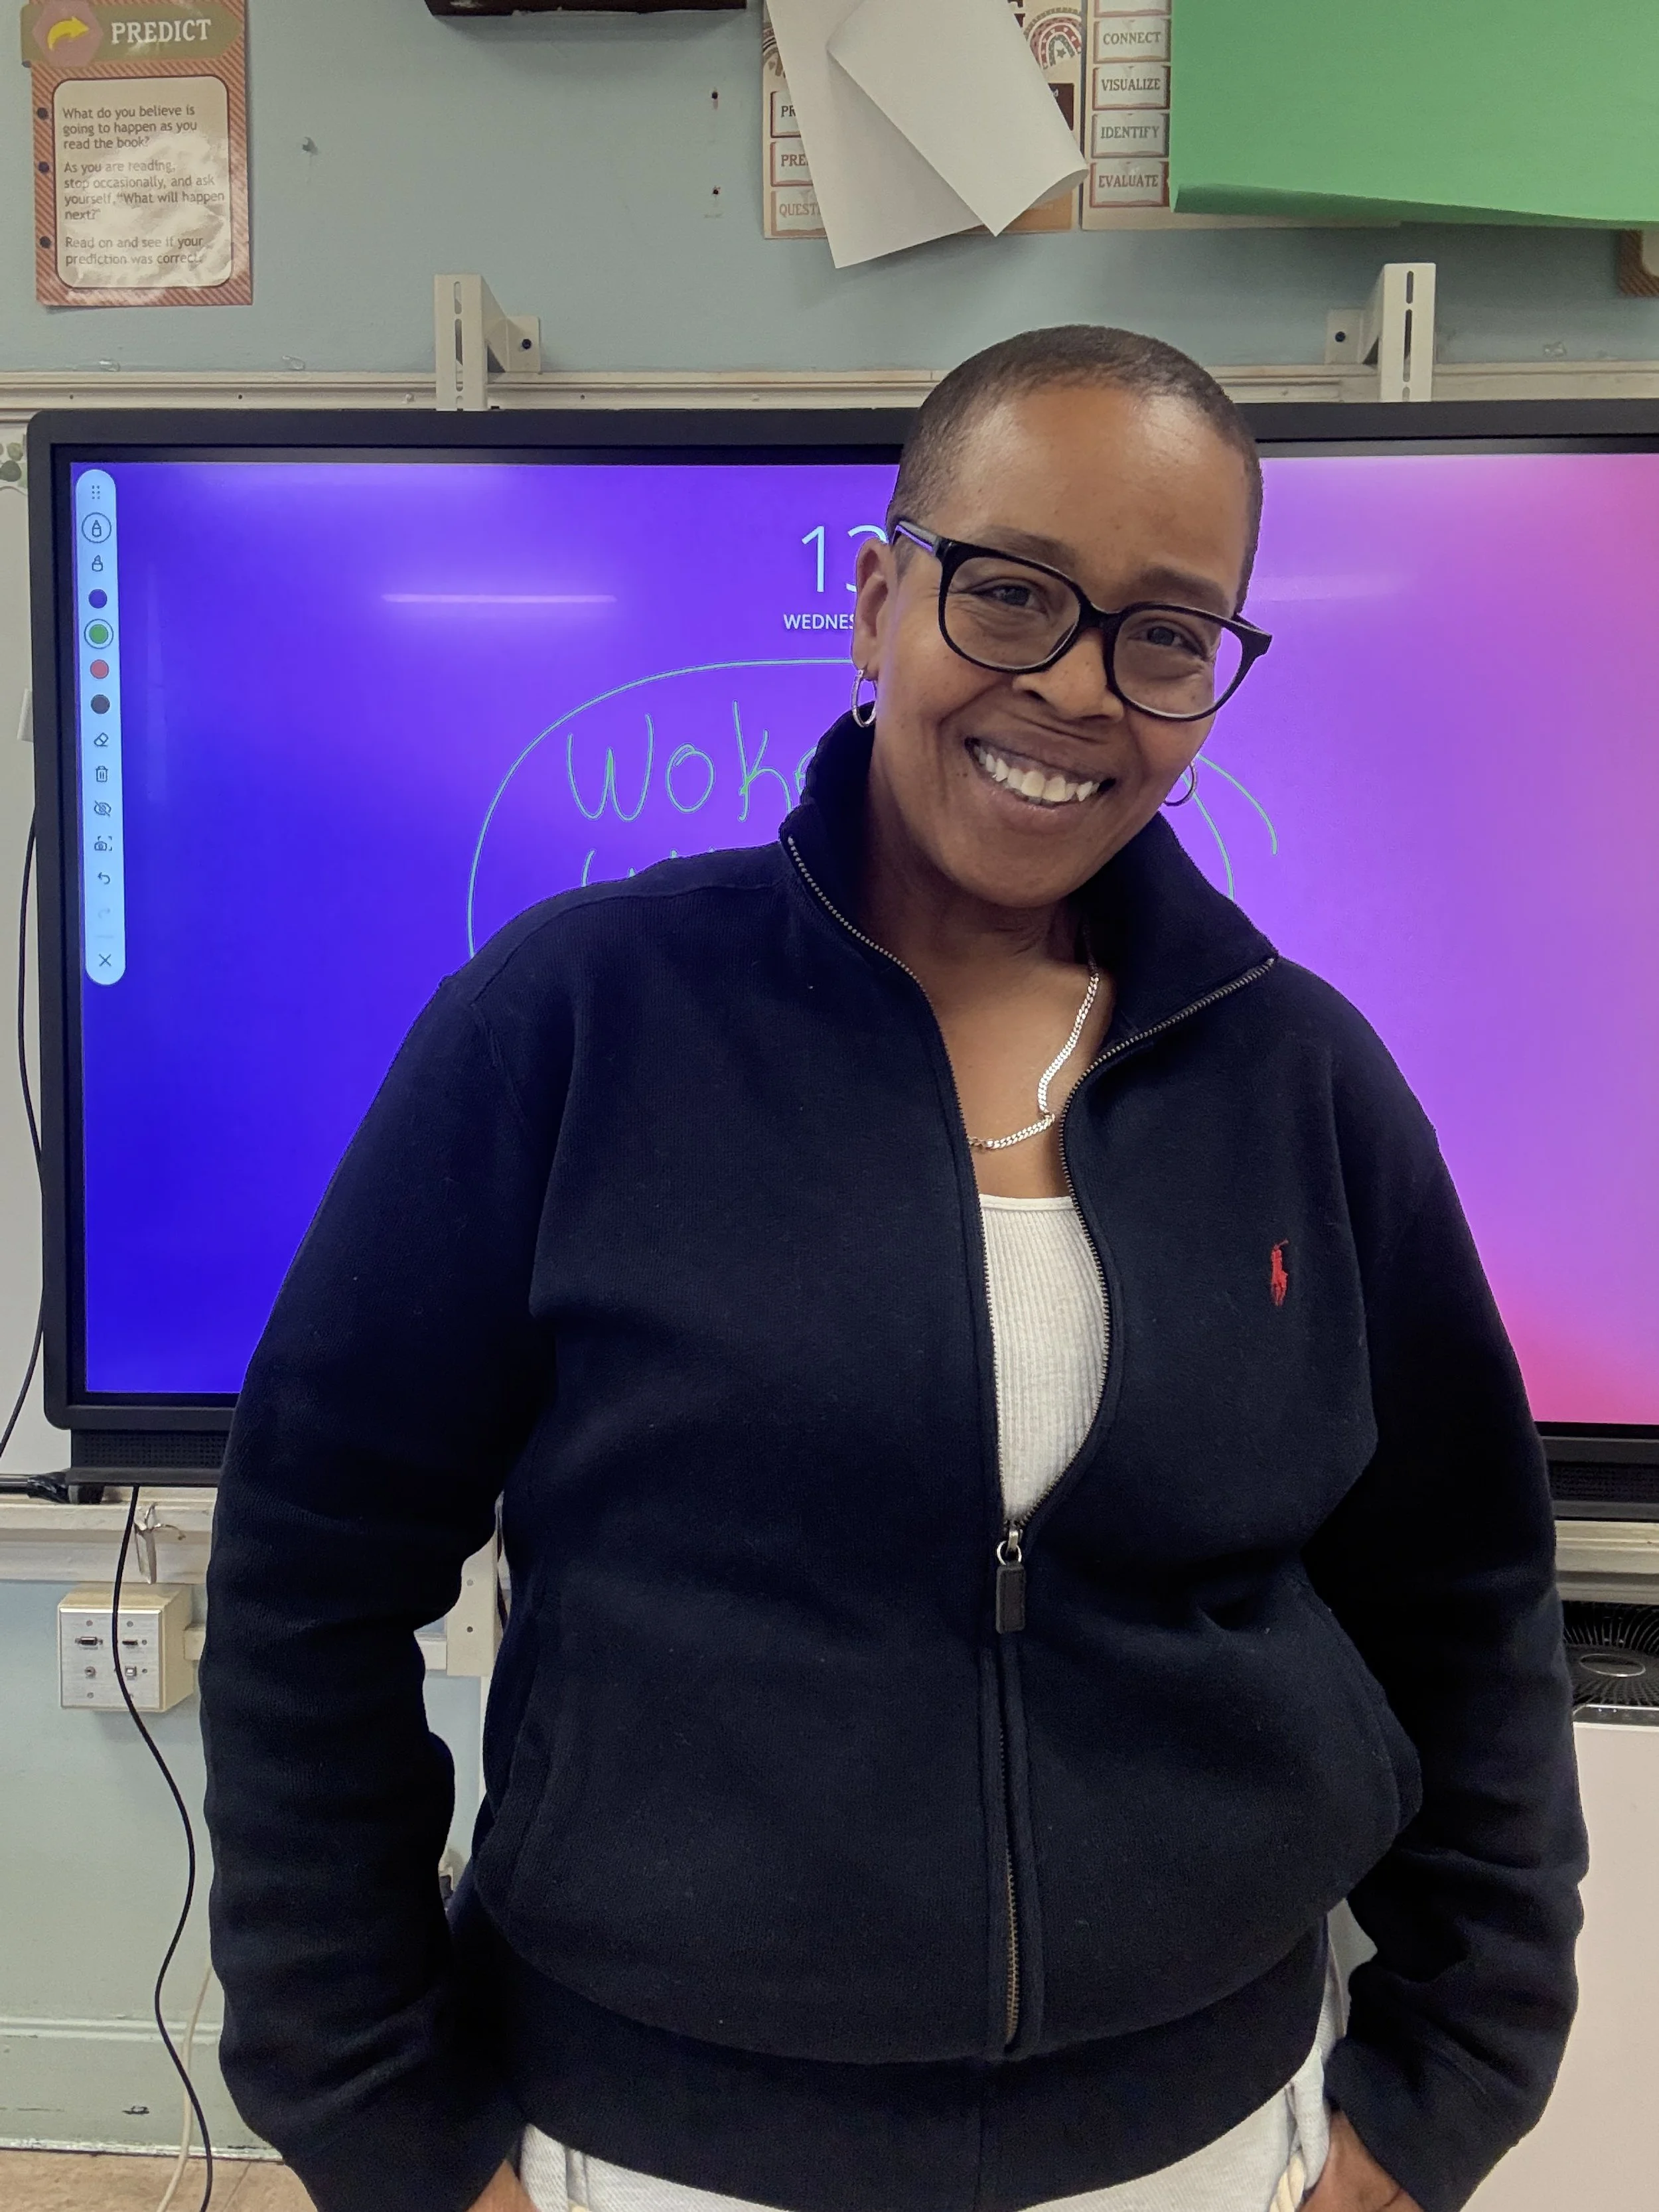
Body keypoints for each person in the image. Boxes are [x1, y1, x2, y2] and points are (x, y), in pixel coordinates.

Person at [198, 327, 1587, 2212]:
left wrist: (1436, 2098)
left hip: (1206, 2140)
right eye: (1009, 593)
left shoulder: (1298, 1076)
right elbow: (305, 1576)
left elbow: (1464, 1599)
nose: (1077, 690)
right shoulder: (572, 1023)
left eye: (1165, 635)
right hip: (649, 2145)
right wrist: (384, 2116)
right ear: (876, 598)